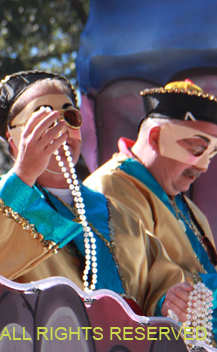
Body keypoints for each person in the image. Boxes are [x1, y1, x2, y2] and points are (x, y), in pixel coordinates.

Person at [0, 71, 189, 317]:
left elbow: (160, 286)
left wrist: (167, 304)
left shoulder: (122, 218)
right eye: (42, 119)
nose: (61, 129)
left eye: (70, 117)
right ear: (13, 140)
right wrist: (23, 176)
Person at [86, 80, 217, 323]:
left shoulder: (191, 210)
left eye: (211, 153)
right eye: (197, 149)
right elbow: (130, 291)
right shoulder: (109, 187)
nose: (203, 166)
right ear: (156, 138)